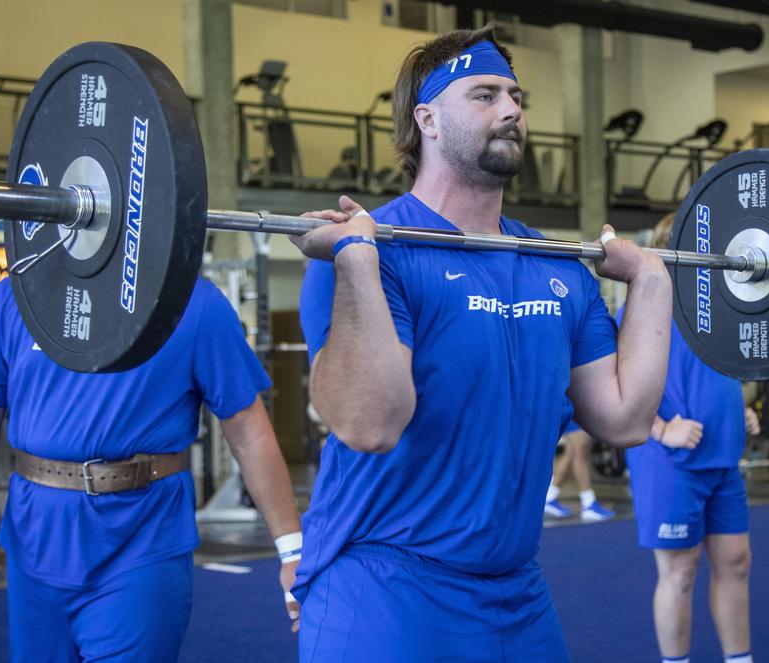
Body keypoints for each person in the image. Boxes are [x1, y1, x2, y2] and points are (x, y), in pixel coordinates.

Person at [292, 26, 671, 662]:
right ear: (427, 119)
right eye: (485, 94)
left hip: (515, 591)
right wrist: (357, 257)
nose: (512, 110)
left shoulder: (557, 269)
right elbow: (370, 423)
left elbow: (626, 418)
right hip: (385, 583)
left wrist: (651, 281)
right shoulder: (373, 250)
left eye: (516, 97)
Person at [0, 277, 303, 661]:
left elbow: (248, 430)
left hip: (140, 540)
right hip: (34, 541)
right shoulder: (12, 298)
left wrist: (292, 550)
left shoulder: (193, 302)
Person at [625, 215, 760, 663]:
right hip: (669, 459)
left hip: (723, 457)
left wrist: (739, 411)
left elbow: (717, 373)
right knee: (680, 572)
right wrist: (662, 429)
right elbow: (618, 382)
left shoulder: (722, 307)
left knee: (737, 562)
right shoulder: (644, 303)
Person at [545, 420, 615, 522]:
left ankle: (549, 497)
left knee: (572, 451)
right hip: (577, 407)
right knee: (581, 451)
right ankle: (588, 503)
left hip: (573, 406)